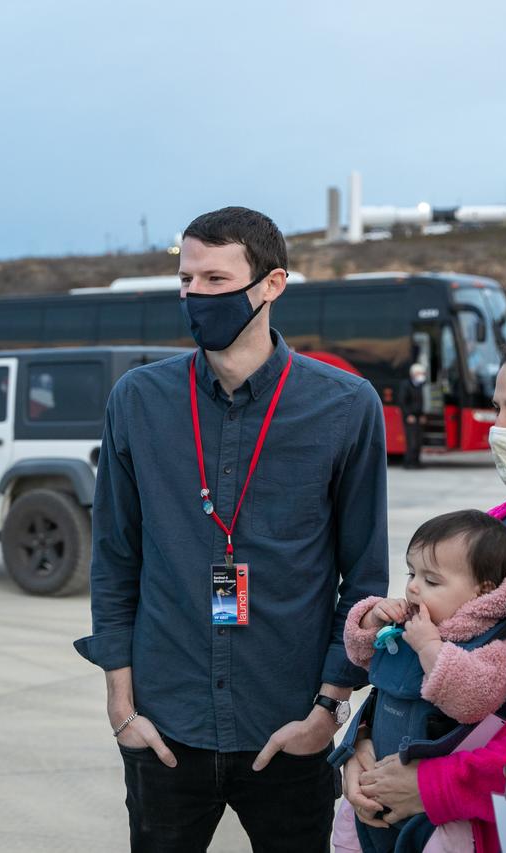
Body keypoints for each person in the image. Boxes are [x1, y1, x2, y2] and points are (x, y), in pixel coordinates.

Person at [74, 206, 389, 852]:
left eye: (214, 280)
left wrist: (327, 708)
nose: (193, 295)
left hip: (290, 731)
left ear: (272, 284)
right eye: (186, 280)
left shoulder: (347, 407)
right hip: (166, 730)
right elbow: (114, 556)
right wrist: (121, 704)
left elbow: (364, 576)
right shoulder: (138, 400)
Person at [340, 324, 506, 853]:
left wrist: (431, 785)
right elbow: (417, 643)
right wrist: (365, 743)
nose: (500, 428)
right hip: (463, 803)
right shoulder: (500, 528)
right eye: (499, 408)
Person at [338, 511, 506, 852]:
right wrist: (372, 618)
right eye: (411, 573)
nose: (414, 587)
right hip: (375, 781)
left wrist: (431, 648)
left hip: (433, 812)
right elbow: (361, 655)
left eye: (431, 581)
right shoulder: (413, 623)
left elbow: (474, 699)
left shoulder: (493, 644)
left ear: (483, 591)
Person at [399, 363, 427, 468]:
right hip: (410, 417)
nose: (422, 375)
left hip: (419, 416)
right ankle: (408, 462)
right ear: (414, 374)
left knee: (419, 440)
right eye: (420, 373)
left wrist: (423, 415)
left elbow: (423, 401)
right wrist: (408, 415)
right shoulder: (406, 385)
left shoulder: (421, 385)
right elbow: (402, 402)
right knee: (411, 441)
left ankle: (417, 462)